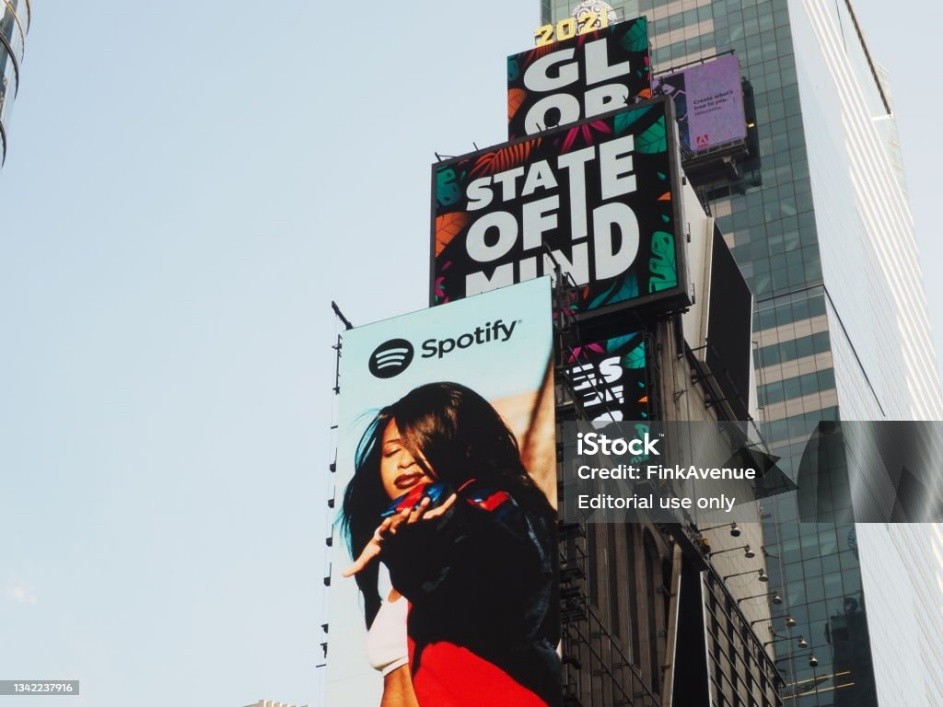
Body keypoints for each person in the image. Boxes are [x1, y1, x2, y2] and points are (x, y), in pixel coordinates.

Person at [340, 382, 561, 707]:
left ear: (462, 448)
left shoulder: (496, 513)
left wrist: (451, 519)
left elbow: (496, 543)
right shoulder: (409, 560)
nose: (403, 462)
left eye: (418, 446)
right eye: (391, 452)